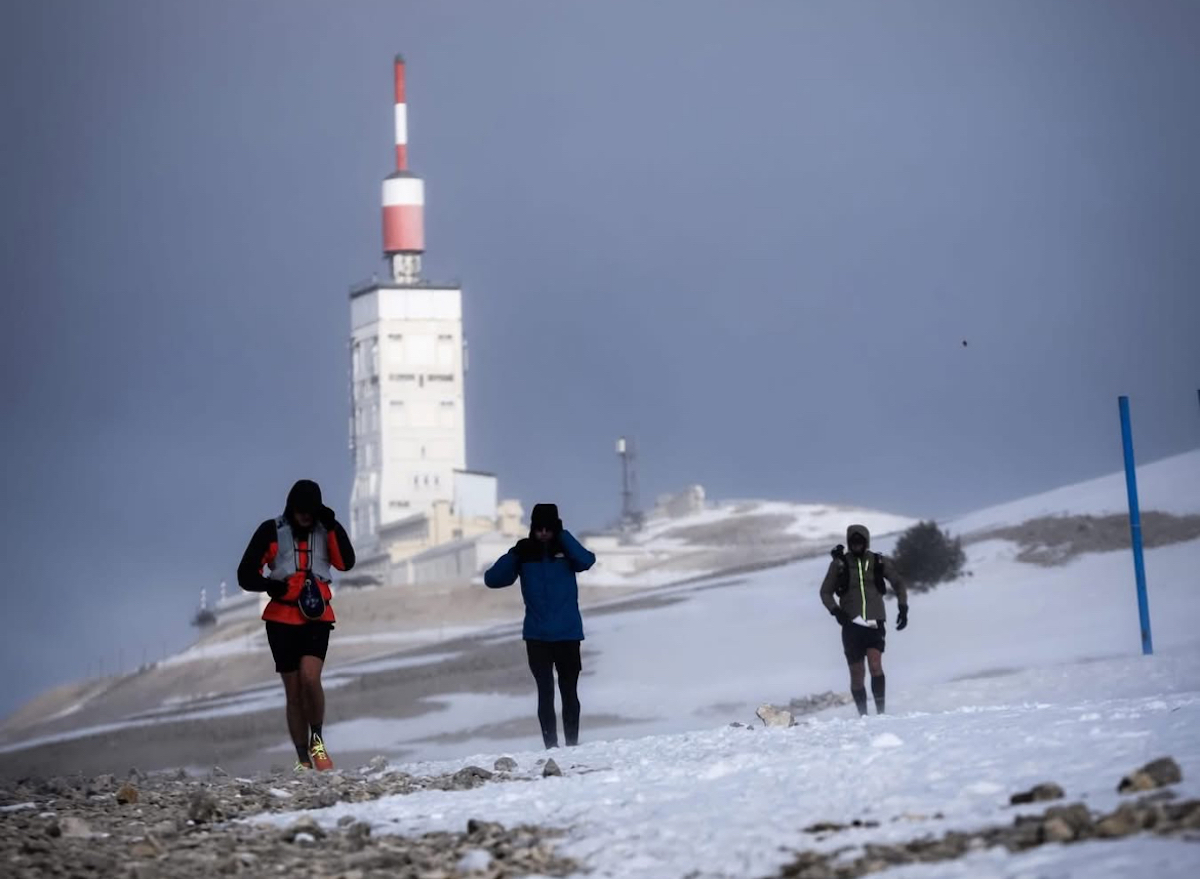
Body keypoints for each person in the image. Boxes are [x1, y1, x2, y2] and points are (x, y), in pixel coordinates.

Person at [237, 479, 355, 771]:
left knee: (310, 678)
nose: (305, 516)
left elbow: (346, 563)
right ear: (291, 507)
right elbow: (245, 574)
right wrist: (269, 585)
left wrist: (334, 525)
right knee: (293, 691)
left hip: (317, 616)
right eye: (301, 511)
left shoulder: (326, 530)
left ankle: (317, 743)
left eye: (310, 511)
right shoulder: (271, 531)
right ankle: (302, 759)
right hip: (280, 619)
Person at [484, 503, 596, 748]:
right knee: (545, 694)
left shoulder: (567, 552)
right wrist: (514, 553)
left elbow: (587, 561)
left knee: (569, 693)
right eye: (539, 528)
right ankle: (550, 747)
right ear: (532, 528)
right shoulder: (525, 555)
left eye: (549, 528)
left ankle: (572, 744)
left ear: (555, 527)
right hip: (537, 637)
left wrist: (564, 537)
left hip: (568, 635)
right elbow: (492, 580)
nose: (544, 532)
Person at [819, 524, 908, 716]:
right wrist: (836, 611)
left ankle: (881, 713)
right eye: (853, 541)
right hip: (851, 624)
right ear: (849, 542)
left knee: (875, 665)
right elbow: (825, 592)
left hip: (875, 621)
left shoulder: (878, 561)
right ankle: (863, 717)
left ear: (866, 542)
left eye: (860, 541)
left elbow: (898, 582)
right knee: (857, 674)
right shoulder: (839, 564)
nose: (857, 545)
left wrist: (903, 607)